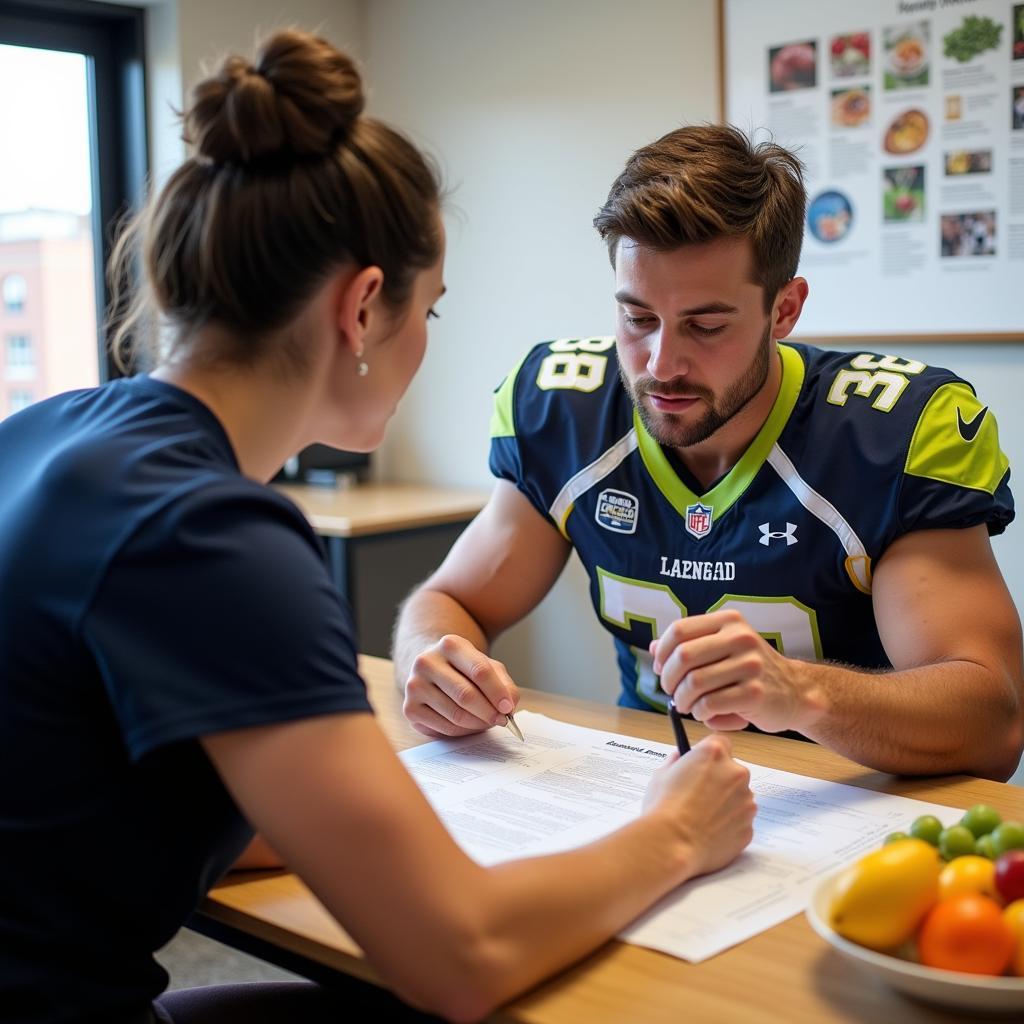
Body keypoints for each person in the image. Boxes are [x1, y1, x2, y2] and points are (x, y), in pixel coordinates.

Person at [0, 34, 757, 1024]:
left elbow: (102, 802)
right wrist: (674, 834)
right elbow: (461, 955)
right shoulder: (211, 531)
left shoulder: (49, 433)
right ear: (361, 308)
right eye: (430, 310)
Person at [394, 124, 1024, 782]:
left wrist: (802, 692)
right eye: (637, 318)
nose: (661, 364)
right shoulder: (567, 408)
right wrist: (430, 659)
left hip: (851, 802)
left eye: (706, 324)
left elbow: (991, 721)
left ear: (784, 310)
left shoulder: (889, 432)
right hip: (643, 788)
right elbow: (454, 599)